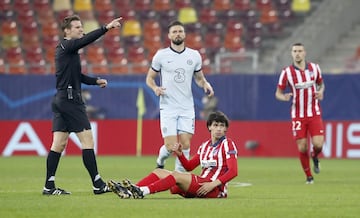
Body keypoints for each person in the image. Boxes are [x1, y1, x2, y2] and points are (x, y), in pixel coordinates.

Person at [42, 15, 122, 195]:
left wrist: (95, 81)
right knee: (87, 140)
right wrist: (106, 28)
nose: (81, 30)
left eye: (81, 27)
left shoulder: (68, 51)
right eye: (77, 27)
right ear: (67, 31)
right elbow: (86, 40)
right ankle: (98, 184)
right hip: (70, 100)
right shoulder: (66, 45)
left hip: (61, 99)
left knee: (59, 144)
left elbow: (78, 76)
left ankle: (49, 186)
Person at [108, 111, 238, 199]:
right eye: (216, 125)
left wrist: (213, 184)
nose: (219, 129)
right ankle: (130, 192)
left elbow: (233, 171)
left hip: (214, 189)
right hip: (201, 185)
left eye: (222, 126)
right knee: (158, 171)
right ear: (209, 127)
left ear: (226, 129)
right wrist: (180, 155)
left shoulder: (228, 144)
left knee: (175, 175)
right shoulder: (204, 146)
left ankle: (143, 191)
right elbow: (189, 166)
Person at [145, 20, 214, 172]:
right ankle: (160, 160)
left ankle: (178, 178)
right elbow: (149, 78)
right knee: (171, 147)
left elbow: (199, 78)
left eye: (180, 31)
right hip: (168, 106)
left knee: (185, 144)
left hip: (187, 107)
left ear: (184, 34)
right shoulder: (161, 55)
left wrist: (205, 84)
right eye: (174, 32)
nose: (178, 34)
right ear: (169, 35)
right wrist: (155, 88)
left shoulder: (194, 55)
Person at [275, 42, 325, 184]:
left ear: (305, 53)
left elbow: (321, 84)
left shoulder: (315, 68)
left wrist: (321, 91)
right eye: (294, 51)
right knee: (302, 146)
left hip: (314, 113)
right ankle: (309, 177)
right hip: (298, 115)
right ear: (292, 53)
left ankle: (314, 156)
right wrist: (283, 97)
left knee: (318, 144)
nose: (297, 53)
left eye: (299, 51)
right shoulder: (287, 72)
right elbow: (277, 93)